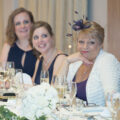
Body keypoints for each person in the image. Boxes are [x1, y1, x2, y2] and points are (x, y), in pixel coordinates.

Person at [59, 19, 120, 106]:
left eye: (91, 42)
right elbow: (55, 92)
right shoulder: (76, 63)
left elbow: (113, 101)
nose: (84, 47)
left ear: (100, 44)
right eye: (81, 42)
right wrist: (66, 61)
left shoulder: (107, 61)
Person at [0, 7, 37, 77]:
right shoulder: (8, 45)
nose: (22, 26)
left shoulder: (40, 46)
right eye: (18, 23)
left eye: (26, 22)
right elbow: (2, 74)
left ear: (32, 24)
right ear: (13, 28)